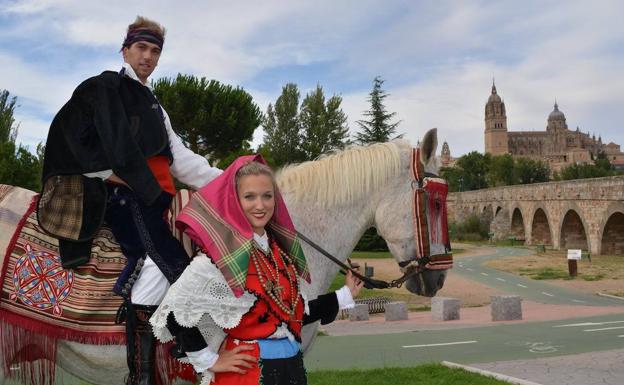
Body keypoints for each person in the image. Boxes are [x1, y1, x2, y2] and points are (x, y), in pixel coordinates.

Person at [37, 16, 221, 385]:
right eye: (141, 48)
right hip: (124, 196)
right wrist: (115, 177)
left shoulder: (154, 104)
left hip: (153, 197)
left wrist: (230, 180)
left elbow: (181, 158)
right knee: (165, 262)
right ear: (125, 49)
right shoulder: (104, 88)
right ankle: (166, 366)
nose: (148, 57)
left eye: (155, 51)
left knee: (169, 262)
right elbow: (76, 141)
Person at [150, 155, 364, 385]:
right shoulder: (221, 258)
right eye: (249, 197)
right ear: (235, 201)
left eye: (267, 196)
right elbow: (174, 312)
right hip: (246, 375)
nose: (260, 205)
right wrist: (208, 359)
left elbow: (290, 312)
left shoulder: (278, 253)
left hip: (290, 369)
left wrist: (344, 295)